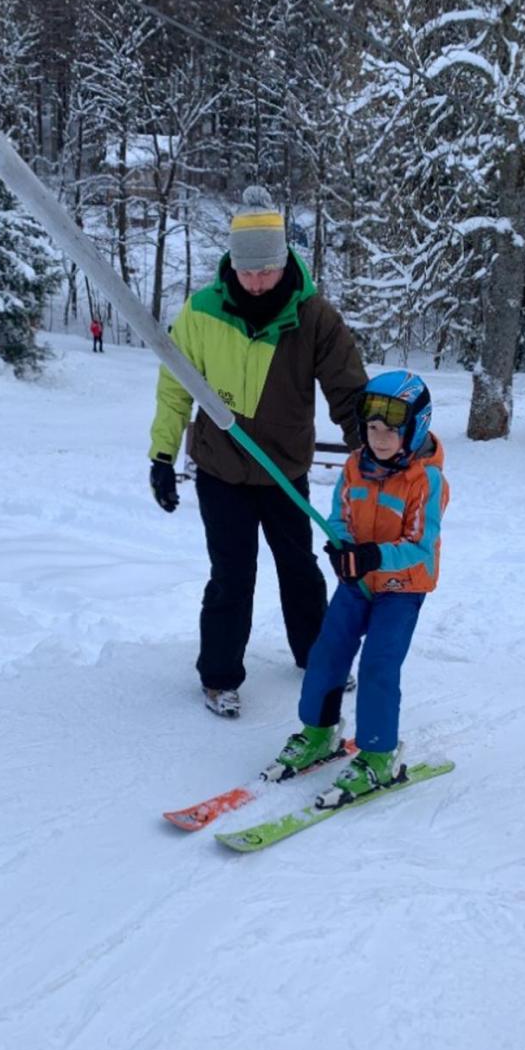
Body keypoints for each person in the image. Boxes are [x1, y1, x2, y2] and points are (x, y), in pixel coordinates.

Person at [148, 185, 368, 718]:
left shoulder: (313, 316)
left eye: (265, 271)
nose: (255, 282)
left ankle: (318, 656)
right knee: (232, 574)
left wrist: (369, 447)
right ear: (232, 263)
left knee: (299, 568)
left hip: (284, 467)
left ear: (283, 260)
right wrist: (162, 455)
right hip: (221, 469)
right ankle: (219, 677)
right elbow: (175, 386)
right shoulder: (201, 311)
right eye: (246, 272)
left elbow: (347, 388)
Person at [268, 369, 448, 806]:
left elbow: (419, 547)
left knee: (378, 667)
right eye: (372, 427)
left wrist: (372, 556)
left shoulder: (426, 481)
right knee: (326, 652)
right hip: (357, 583)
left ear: (415, 426)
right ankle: (319, 731)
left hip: (401, 589)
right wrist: (340, 546)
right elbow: (338, 516)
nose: (380, 438)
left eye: (391, 429)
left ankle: (378, 753)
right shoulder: (355, 466)